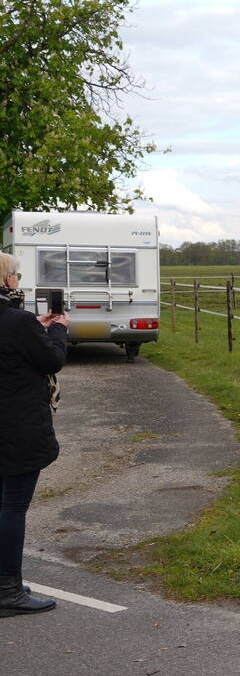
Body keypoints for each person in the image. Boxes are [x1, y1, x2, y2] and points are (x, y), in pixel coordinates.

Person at [0, 252, 69, 617]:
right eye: (16, 275)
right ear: (6, 279)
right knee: (12, 508)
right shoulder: (18, 320)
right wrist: (57, 329)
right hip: (16, 427)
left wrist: (35, 328)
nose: (17, 281)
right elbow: (50, 360)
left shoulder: (19, 322)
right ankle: (7, 589)